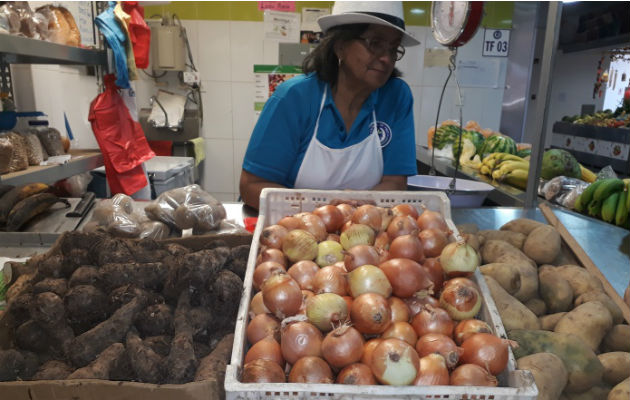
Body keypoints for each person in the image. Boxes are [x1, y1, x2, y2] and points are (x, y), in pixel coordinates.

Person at [240, 2, 420, 210]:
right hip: (294, 229)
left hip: (362, 230)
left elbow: (395, 183)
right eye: (375, 43)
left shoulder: (396, 97)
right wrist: (327, 208)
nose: (386, 58)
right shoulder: (294, 98)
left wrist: (355, 206)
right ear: (339, 46)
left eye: (393, 47)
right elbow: (251, 187)